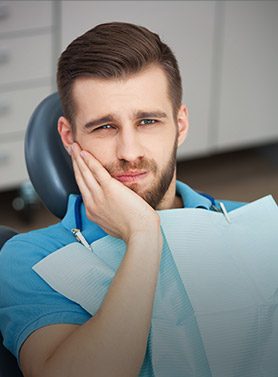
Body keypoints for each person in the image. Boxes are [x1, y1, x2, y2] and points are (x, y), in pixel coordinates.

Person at [0, 22, 244, 377]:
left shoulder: (252, 227)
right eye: (105, 127)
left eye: (147, 121)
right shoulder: (29, 259)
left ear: (181, 124)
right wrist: (144, 235)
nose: (129, 152)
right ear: (69, 137)